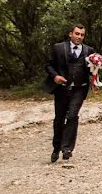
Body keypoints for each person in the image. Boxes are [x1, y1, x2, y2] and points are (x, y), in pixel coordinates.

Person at [42, 23, 98, 164]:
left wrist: (95, 79)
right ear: (70, 34)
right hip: (61, 90)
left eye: (82, 35)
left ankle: (67, 149)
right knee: (59, 119)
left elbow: (92, 70)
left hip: (79, 89)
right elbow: (48, 65)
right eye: (77, 34)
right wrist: (55, 76)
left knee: (72, 116)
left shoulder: (89, 50)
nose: (79, 37)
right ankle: (56, 148)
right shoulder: (59, 48)